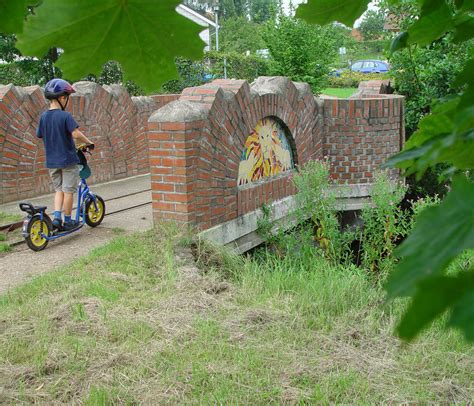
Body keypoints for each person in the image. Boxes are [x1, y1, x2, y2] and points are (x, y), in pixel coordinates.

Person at [36, 78, 94, 231]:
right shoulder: (65, 116)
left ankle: (56, 218)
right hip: (68, 161)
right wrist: (89, 142)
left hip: (52, 162)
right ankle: (68, 221)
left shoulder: (43, 117)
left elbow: (40, 135)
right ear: (62, 98)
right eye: (67, 97)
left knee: (59, 190)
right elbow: (75, 134)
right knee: (69, 191)